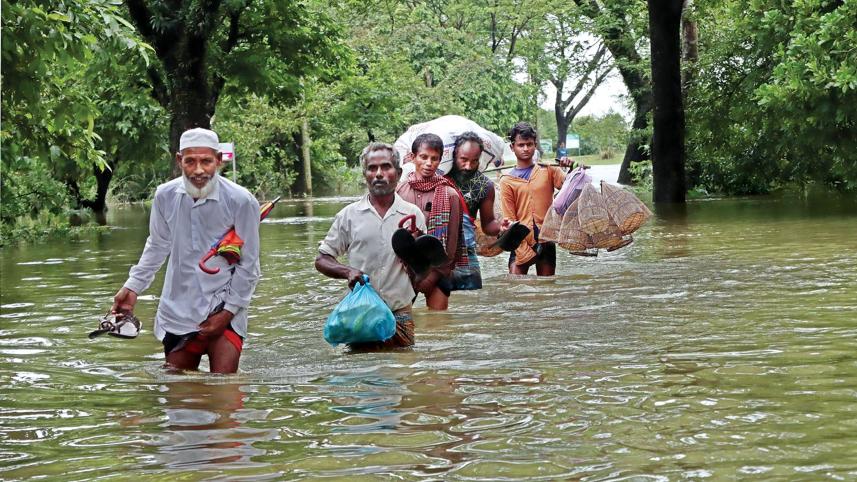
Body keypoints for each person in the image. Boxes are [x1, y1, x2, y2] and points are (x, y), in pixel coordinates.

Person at [111, 128, 261, 373]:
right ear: (179, 160)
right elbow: (157, 245)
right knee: (179, 399)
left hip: (223, 307)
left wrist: (228, 313)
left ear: (219, 161)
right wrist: (132, 287)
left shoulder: (241, 200)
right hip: (177, 309)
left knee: (226, 398)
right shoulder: (165, 196)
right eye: (190, 161)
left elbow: (249, 266)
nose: (199, 170)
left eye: (206, 161)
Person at [315, 142, 426, 349]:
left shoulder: (413, 216)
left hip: (400, 314)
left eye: (386, 167)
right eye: (372, 168)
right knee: (362, 374)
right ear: (365, 174)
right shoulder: (349, 215)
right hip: (362, 316)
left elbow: (422, 276)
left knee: (404, 372)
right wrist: (347, 271)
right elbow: (322, 259)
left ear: (398, 173)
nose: (379, 174)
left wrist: (414, 254)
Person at [396, 133, 469, 310]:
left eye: (434, 159)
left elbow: (452, 245)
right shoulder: (399, 191)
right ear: (413, 158)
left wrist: (432, 276)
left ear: (440, 160)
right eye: (424, 157)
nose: (429, 163)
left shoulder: (450, 194)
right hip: (406, 269)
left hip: (438, 269)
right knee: (402, 321)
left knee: (439, 324)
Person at [499, 122, 572, 276]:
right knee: (516, 287)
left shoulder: (548, 169)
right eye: (521, 145)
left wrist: (570, 169)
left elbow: (569, 189)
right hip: (520, 240)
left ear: (535, 145)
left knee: (547, 288)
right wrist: (521, 248)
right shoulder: (507, 180)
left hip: (546, 238)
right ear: (512, 147)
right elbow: (509, 219)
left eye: (529, 144)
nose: (526, 149)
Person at [444, 131, 503, 290]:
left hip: (468, 254)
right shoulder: (438, 179)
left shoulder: (485, 185)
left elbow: (488, 224)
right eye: (463, 159)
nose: (468, 166)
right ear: (455, 154)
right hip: (440, 255)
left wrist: (501, 228)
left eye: (474, 161)